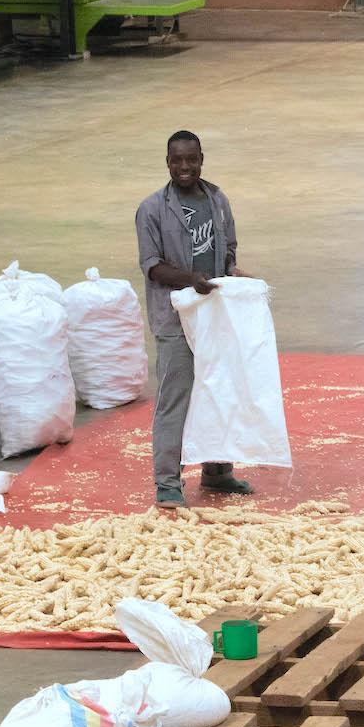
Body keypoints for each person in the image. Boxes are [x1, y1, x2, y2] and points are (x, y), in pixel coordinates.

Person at [135, 129, 253, 508]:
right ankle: (167, 483)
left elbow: (229, 247)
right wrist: (191, 280)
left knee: (219, 391)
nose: (185, 167)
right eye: (177, 160)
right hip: (175, 320)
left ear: (202, 159)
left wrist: (232, 269)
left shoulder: (217, 200)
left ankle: (218, 471)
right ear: (166, 162)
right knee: (175, 397)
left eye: (192, 159)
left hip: (213, 316)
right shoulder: (151, 209)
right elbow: (152, 267)